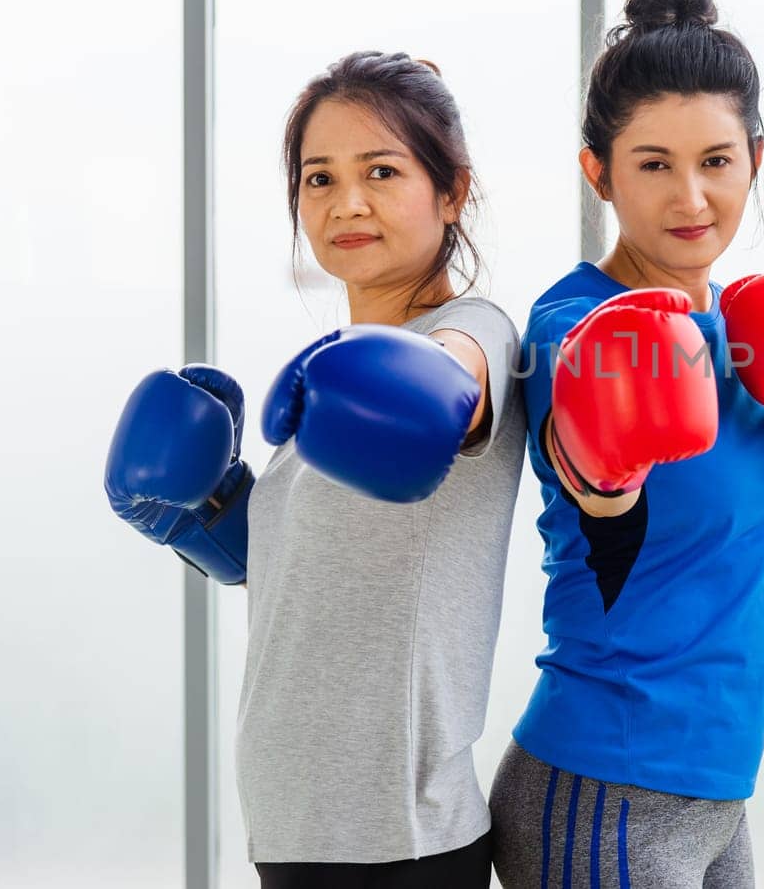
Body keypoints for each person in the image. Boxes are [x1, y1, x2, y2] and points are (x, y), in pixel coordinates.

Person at [489, 0, 764, 889]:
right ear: (600, 173)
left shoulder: (761, 340)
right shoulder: (573, 326)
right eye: (654, 164)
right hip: (600, 787)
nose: (691, 197)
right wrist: (601, 462)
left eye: (716, 160)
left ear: (755, 159)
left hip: (713, 798)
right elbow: (588, 475)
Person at [105, 51, 522, 888]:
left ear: (453, 191)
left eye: (381, 171)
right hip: (297, 819)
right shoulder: (325, 386)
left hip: (398, 836)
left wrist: (399, 378)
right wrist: (209, 511)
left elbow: (445, 395)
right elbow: (308, 581)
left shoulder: (471, 333)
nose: (347, 203)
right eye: (318, 178)